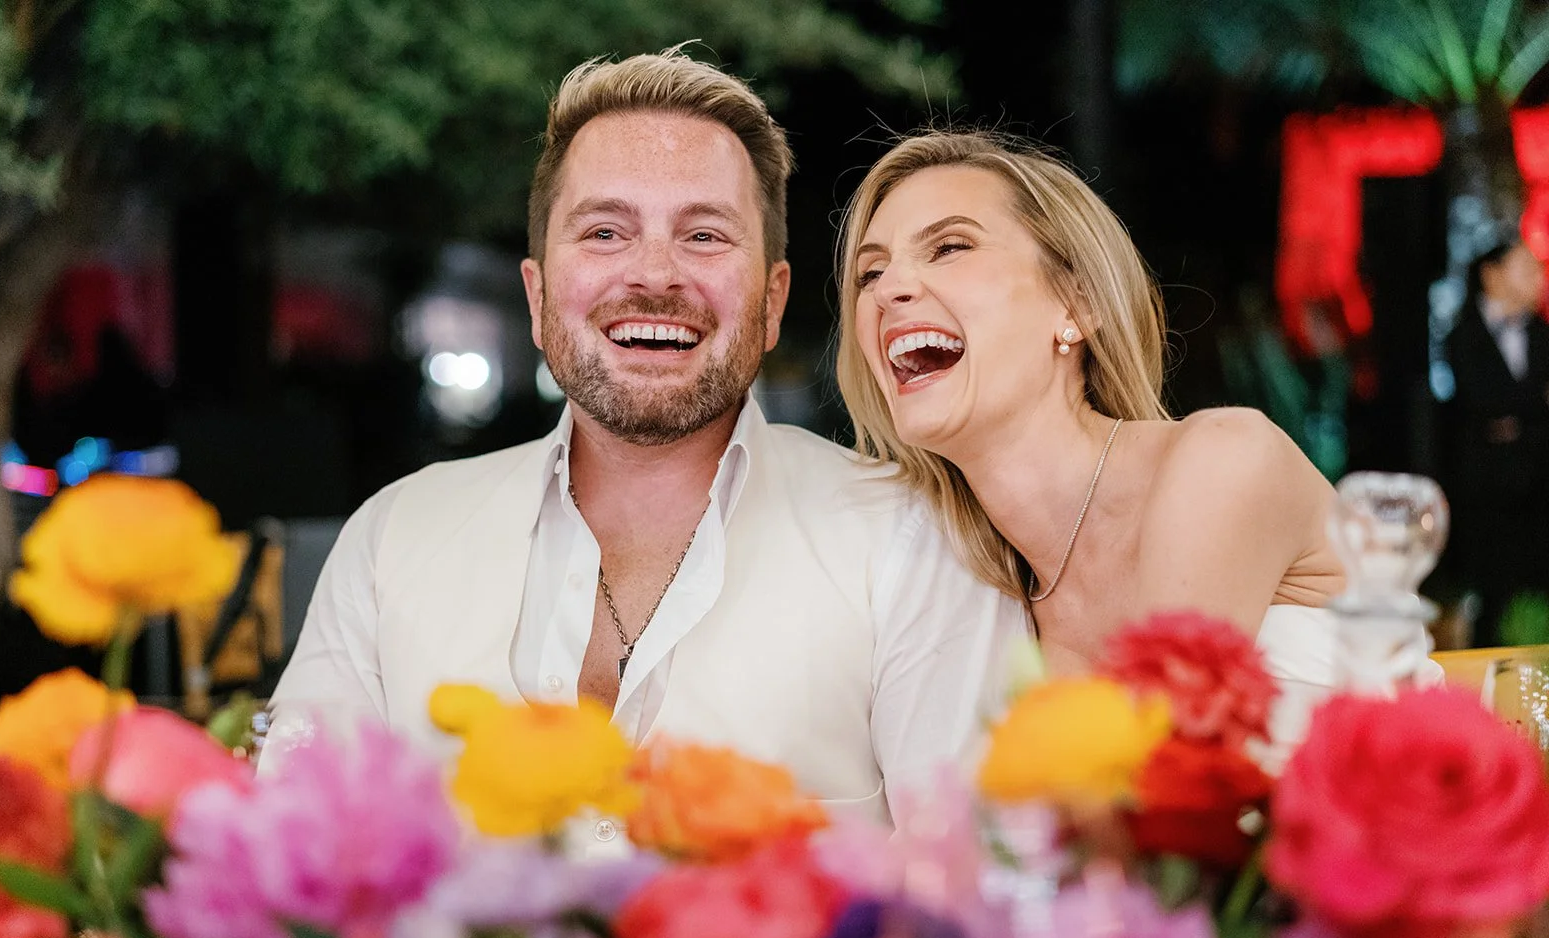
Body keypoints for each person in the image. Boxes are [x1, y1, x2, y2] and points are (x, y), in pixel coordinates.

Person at [263, 54, 1027, 829]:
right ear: (536, 296)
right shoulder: (390, 540)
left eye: (703, 234)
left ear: (771, 302)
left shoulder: (918, 545)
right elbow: (291, 866)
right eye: (604, 231)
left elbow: (985, 895)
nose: (655, 274)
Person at [834, 130, 1350, 730]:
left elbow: (1166, 793)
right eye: (870, 273)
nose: (889, 290)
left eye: (949, 247)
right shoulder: (977, 599)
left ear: (1077, 304)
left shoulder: (1225, 461)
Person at [1443, 240, 1549, 646]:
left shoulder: (1541, 334)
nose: (1537, 279)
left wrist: (1515, 417)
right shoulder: (1464, 334)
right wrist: (1534, 403)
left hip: (1538, 481)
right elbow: (1479, 400)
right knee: (1492, 592)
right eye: (1526, 268)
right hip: (1485, 487)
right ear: (1492, 274)